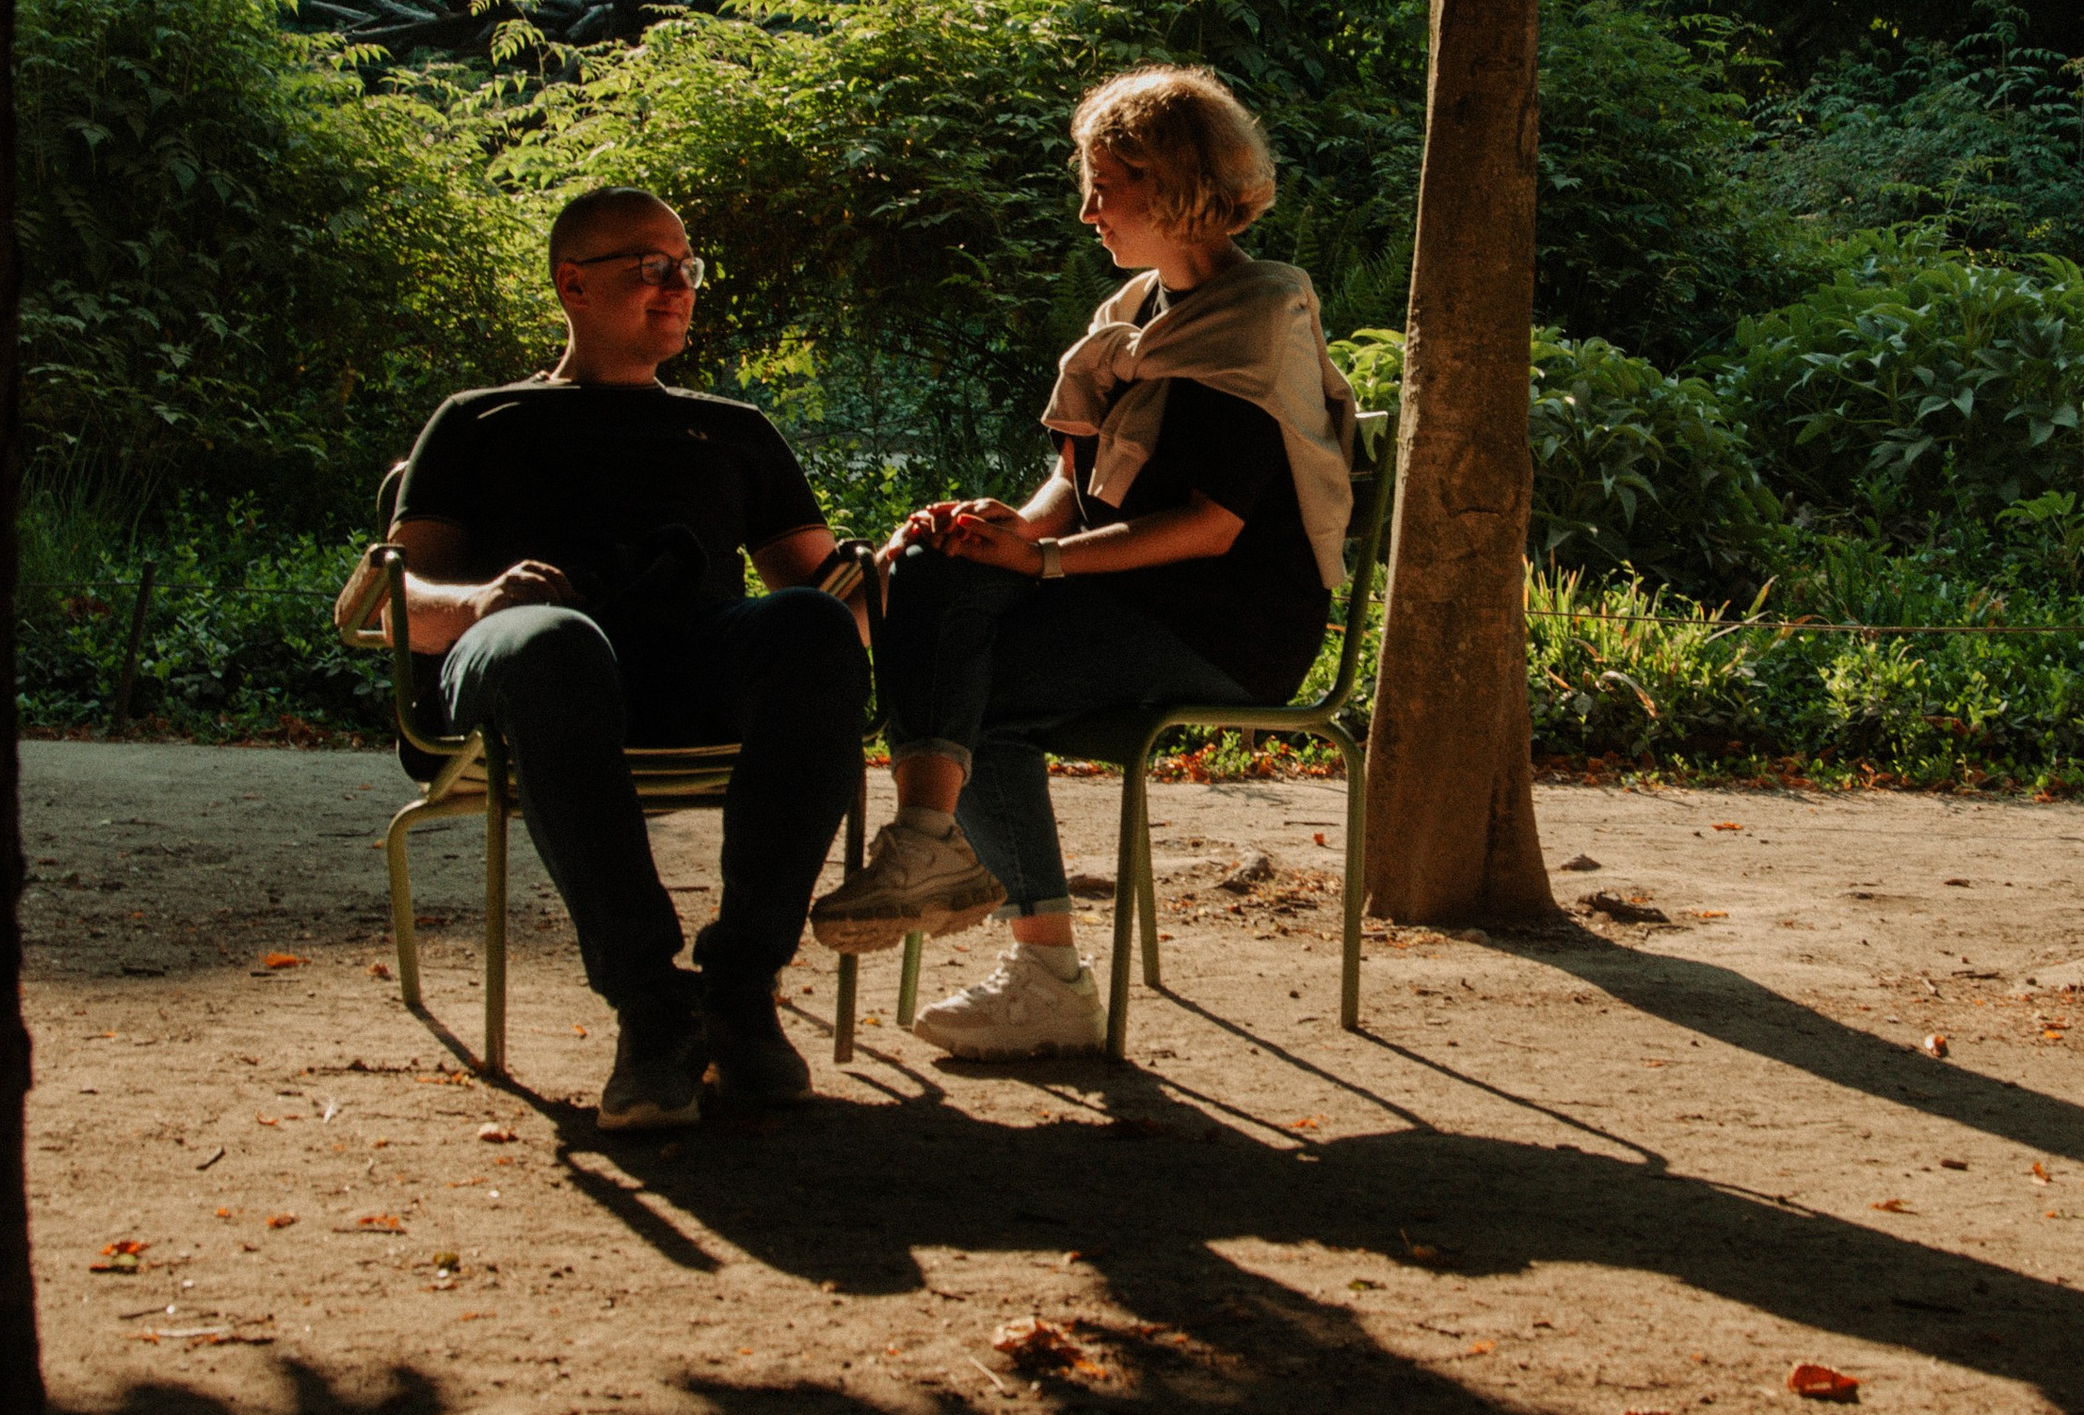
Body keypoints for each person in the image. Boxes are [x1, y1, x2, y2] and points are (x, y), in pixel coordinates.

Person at [810, 66, 1357, 1053]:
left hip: (1226, 626)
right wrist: (1010, 532)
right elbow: (1075, 488)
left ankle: (1019, 943)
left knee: (960, 678)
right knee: (934, 574)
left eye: (1106, 187)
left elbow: (1212, 527)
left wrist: (1045, 565)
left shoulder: (1257, 316)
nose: (1086, 211)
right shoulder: (1132, 316)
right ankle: (953, 874)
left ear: (1175, 187)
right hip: (1125, 600)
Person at [386, 186, 868, 1130]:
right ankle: (651, 1003)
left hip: (691, 664)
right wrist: (479, 602)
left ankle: (738, 989)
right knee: (554, 641)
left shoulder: (734, 429)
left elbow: (836, 600)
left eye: (687, 267)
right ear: (573, 283)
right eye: (652, 266)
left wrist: (914, 571)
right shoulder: (482, 419)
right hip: (528, 664)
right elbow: (384, 600)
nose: (678, 285)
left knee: (809, 626)